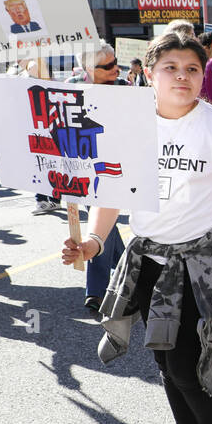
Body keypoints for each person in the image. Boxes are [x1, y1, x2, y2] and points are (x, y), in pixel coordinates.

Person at [62, 30, 212, 424]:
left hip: (201, 263)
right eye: (170, 68)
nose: (182, 77)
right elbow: (110, 193)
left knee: (188, 362)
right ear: (149, 73)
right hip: (149, 258)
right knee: (165, 360)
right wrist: (92, 242)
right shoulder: (129, 125)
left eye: (192, 69)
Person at [80, 45, 129, 312]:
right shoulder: (74, 93)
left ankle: (109, 282)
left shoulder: (128, 90)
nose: (115, 70)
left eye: (116, 63)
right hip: (87, 168)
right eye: (107, 67)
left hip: (118, 166)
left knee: (101, 228)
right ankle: (106, 286)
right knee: (101, 227)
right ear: (89, 70)